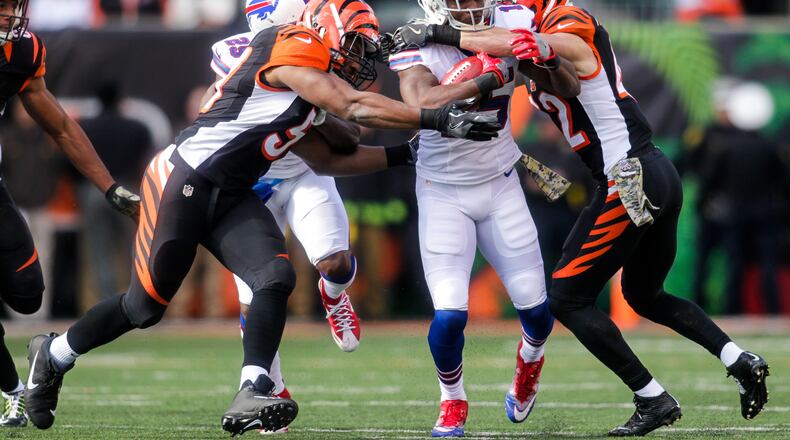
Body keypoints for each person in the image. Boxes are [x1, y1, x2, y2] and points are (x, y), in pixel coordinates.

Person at [24, 0, 500, 435]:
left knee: (273, 276)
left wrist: (408, 154)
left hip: (230, 191)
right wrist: (436, 119)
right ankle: (55, 353)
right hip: (182, 180)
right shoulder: (288, 42)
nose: (358, 59)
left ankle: (254, 387)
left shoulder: (312, 87)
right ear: (321, 26)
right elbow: (352, 105)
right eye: (353, 43)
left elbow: (330, 160)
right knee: (144, 308)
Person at [390, 0, 770, 435]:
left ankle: (652, 397)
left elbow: (542, 50)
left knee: (566, 299)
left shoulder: (566, 21)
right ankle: (738, 359)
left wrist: (444, 35)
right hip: (648, 169)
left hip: (626, 174)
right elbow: (536, 61)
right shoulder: (530, 36)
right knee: (645, 295)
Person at [389, 1, 578, 435]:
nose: (471, 6)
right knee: (451, 314)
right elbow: (421, 102)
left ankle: (528, 367)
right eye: (461, 0)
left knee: (536, 311)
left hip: (501, 181)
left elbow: (567, 85)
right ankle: (452, 398)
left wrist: (539, 56)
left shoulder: (513, 23)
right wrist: (485, 78)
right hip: (441, 189)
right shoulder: (417, 36)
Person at [0, 0, 140, 429]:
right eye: (2, 6)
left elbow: (60, 125)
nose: (11, 16)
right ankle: (13, 392)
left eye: (14, 6)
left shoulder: (20, 53)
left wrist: (109, 186)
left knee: (27, 293)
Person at [78, 83, 153, 300]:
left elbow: (68, 162)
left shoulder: (87, 127)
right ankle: (139, 299)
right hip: (127, 187)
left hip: (94, 190)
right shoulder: (136, 127)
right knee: (136, 246)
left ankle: (106, 301)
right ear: (120, 101)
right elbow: (147, 159)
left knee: (100, 250)